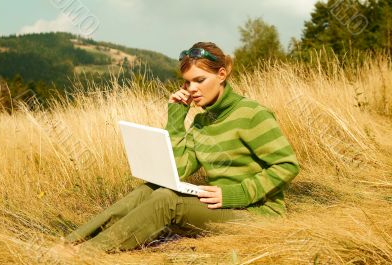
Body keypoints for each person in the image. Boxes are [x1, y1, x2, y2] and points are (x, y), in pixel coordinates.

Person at [60, 41, 300, 254]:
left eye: (199, 80)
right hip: (222, 205)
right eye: (187, 82)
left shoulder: (251, 114)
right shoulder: (202, 122)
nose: (192, 88)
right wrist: (176, 118)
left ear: (222, 74)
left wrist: (237, 193)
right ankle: (71, 242)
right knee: (151, 188)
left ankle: (85, 255)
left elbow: (287, 165)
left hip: (258, 213)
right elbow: (180, 169)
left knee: (167, 200)